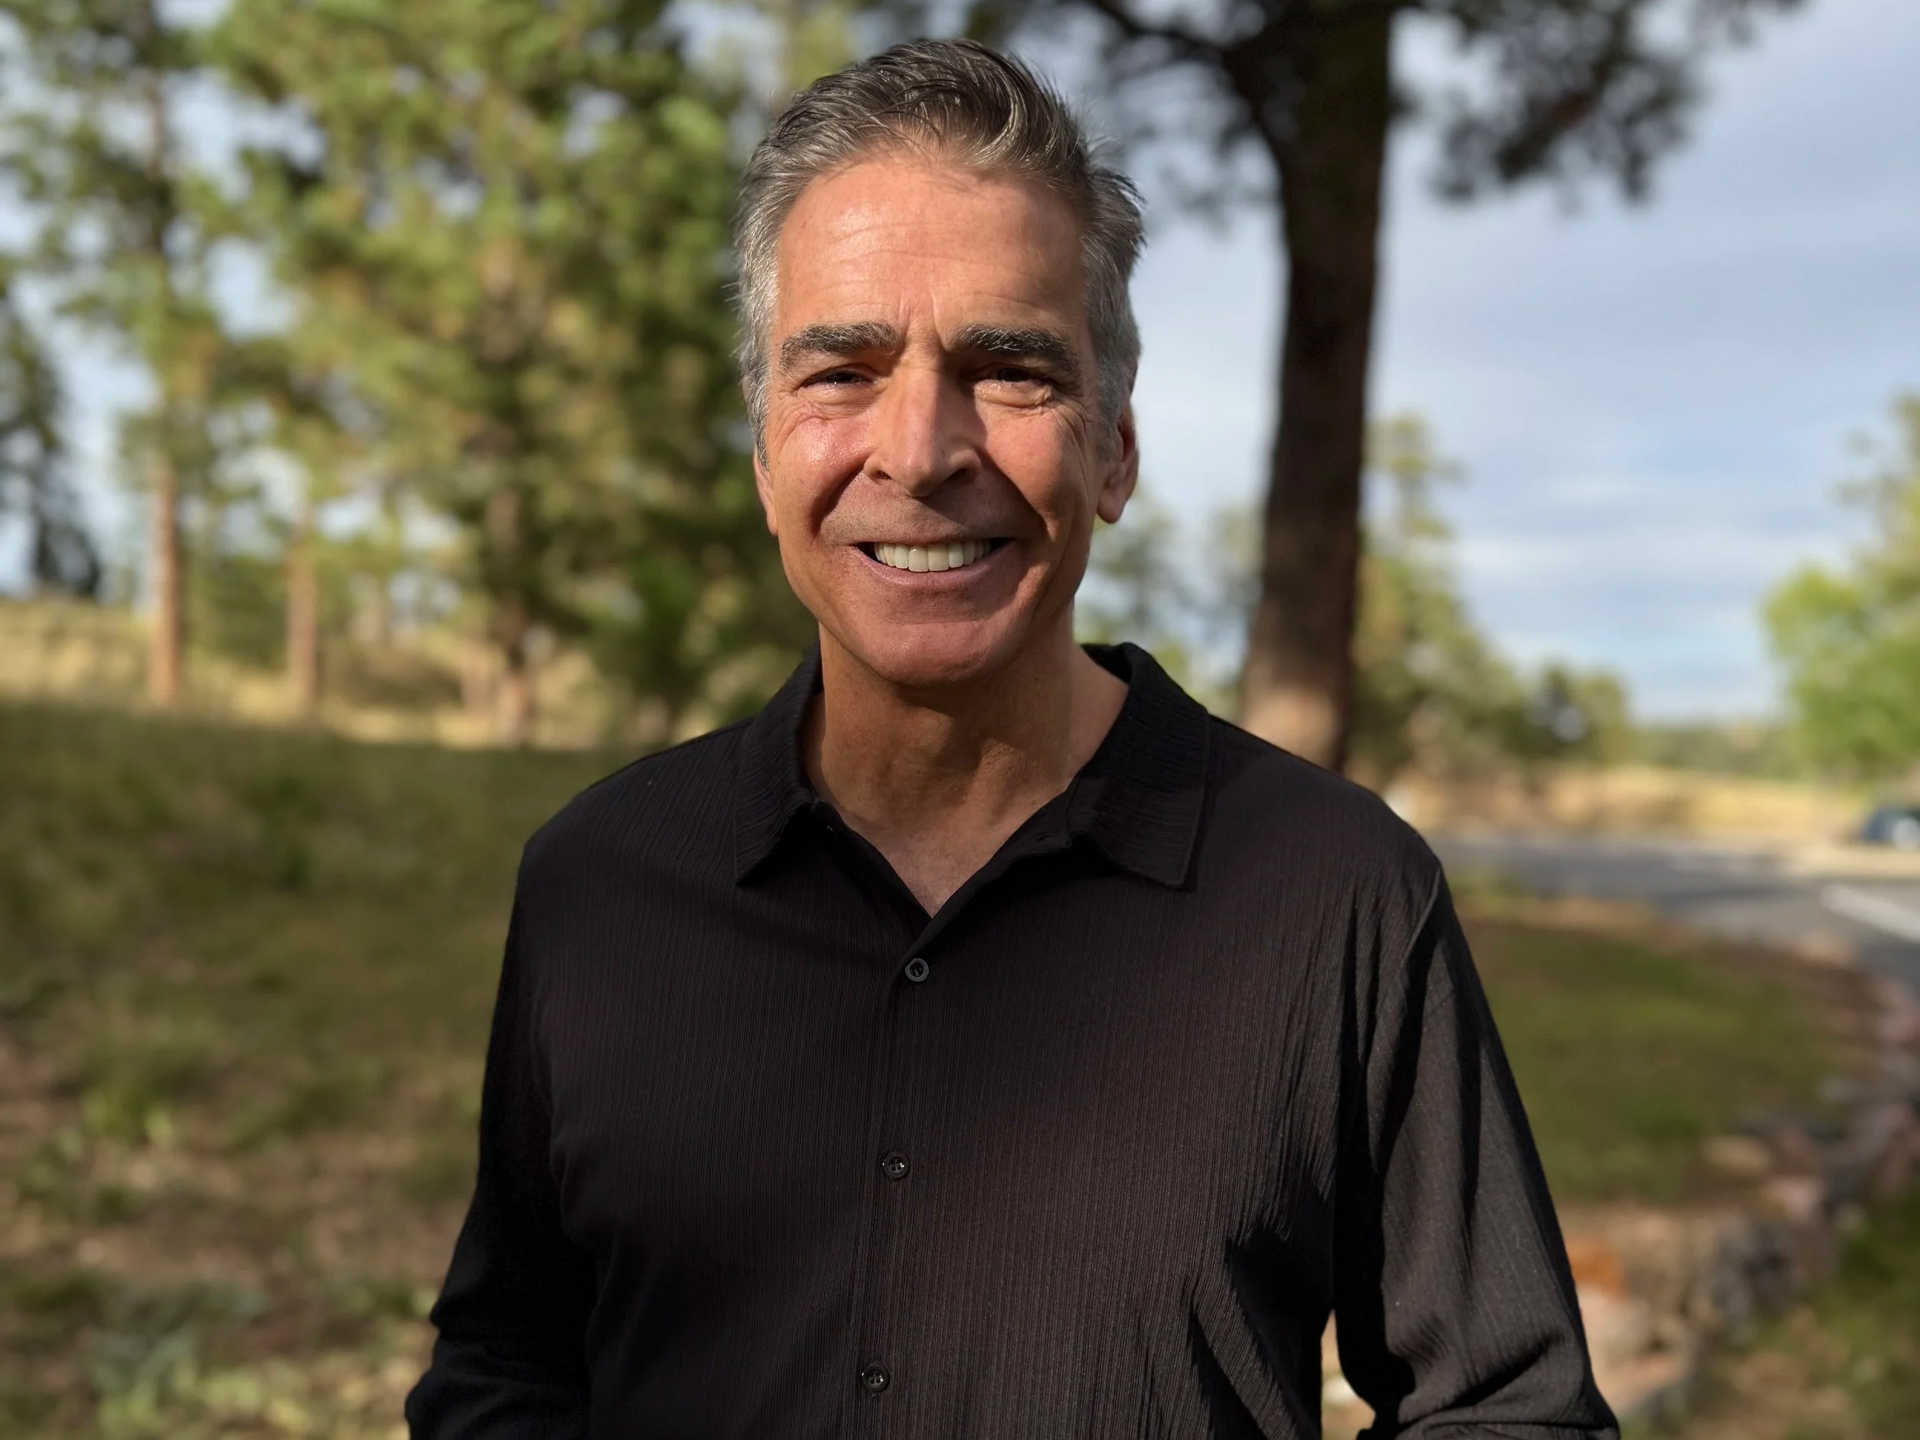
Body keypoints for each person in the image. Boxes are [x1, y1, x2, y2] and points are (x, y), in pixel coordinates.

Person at [407, 38, 1617, 1440]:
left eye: (1009, 367)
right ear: (763, 456)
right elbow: (504, 1360)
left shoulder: (1339, 897)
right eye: (842, 370)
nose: (918, 450)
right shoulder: (597, 884)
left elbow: (1511, 1410)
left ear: (1114, 451)